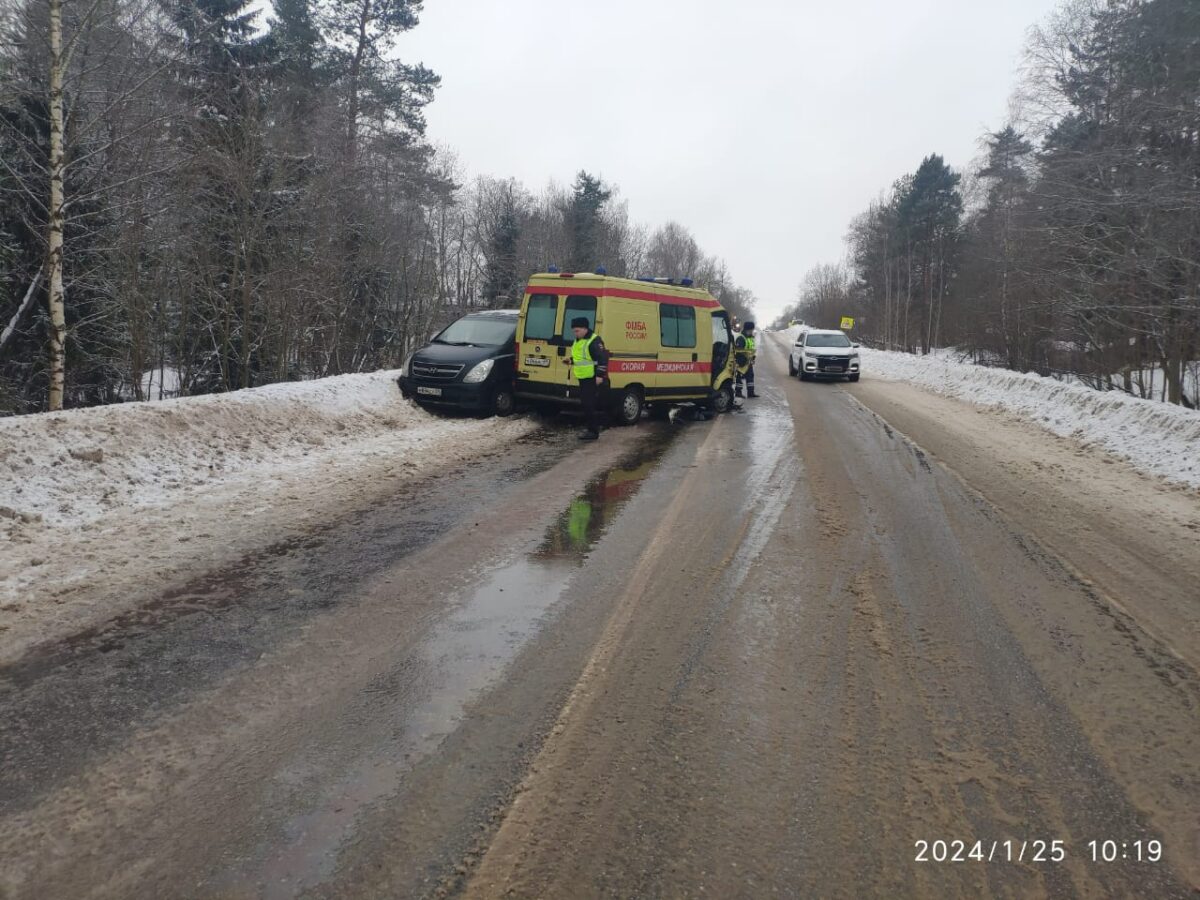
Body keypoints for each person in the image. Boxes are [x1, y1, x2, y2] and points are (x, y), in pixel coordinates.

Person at [569, 316, 608, 440]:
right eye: (574, 331)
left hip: (591, 377)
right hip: (583, 377)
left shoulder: (594, 340)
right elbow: (582, 358)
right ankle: (592, 428)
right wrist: (571, 360)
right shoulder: (578, 340)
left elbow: (603, 359)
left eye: (577, 331)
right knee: (586, 404)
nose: (575, 333)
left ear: (585, 329)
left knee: (588, 404)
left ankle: (593, 431)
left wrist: (599, 376)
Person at [734, 320, 757, 398]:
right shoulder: (741, 338)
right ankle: (738, 392)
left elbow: (752, 348)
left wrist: (753, 357)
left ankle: (751, 393)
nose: (752, 331)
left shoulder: (751, 338)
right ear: (747, 329)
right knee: (739, 377)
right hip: (742, 361)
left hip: (748, 361)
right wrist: (741, 360)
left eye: (752, 330)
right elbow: (738, 350)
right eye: (750, 330)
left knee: (750, 376)